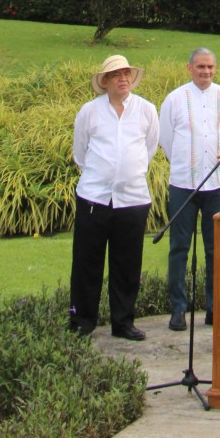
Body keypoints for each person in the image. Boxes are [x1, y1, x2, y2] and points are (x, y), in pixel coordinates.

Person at [69, 54, 159, 341]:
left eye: (126, 73)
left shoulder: (146, 110)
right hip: (94, 197)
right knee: (86, 263)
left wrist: (126, 172)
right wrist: (103, 174)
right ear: (104, 81)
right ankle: (82, 322)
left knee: (127, 264)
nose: (123, 78)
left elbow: (150, 148)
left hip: (132, 199)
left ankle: (123, 322)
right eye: (116, 74)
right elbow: (80, 152)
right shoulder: (89, 112)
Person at [158, 46, 220, 332]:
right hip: (183, 183)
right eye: (200, 67)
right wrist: (183, 163)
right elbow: (165, 138)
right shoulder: (175, 99)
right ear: (189, 68)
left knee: (216, 247)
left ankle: (214, 307)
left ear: (216, 69)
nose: (205, 72)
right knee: (179, 246)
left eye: (210, 67)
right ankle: (178, 308)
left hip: (216, 183)